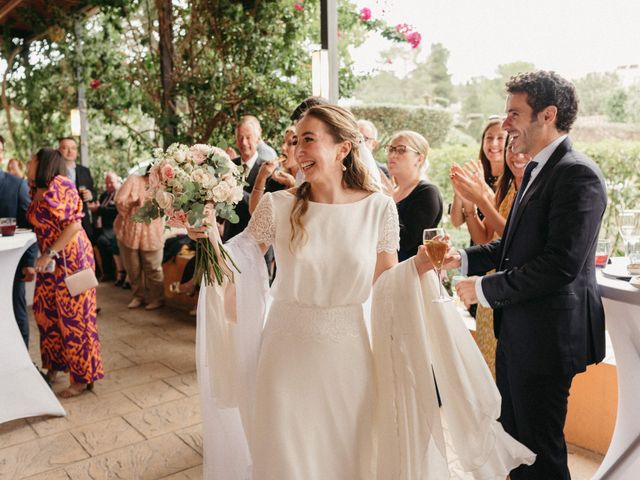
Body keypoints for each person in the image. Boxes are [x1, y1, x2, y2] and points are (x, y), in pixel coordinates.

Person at [193, 104, 535, 479]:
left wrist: (419, 265)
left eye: (310, 139)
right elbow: (237, 264)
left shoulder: (378, 208)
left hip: (348, 357)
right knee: (287, 460)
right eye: (296, 140)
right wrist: (208, 234)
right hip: (284, 357)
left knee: (348, 459)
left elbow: (385, 286)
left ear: (342, 149)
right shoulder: (277, 205)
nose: (299, 150)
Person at [447, 71, 607, 479]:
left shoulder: (578, 174)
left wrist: (485, 288)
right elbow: (513, 247)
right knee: (514, 448)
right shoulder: (536, 170)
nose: (505, 125)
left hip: (548, 339)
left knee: (540, 453)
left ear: (548, 115)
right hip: (520, 332)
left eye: (515, 114)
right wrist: (461, 260)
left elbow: (560, 265)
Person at [26, 148, 103, 398]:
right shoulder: (34, 187)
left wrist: (49, 253)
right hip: (48, 261)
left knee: (75, 320)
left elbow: (74, 225)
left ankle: (82, 377)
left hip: (71, 259)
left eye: (32, 159)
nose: (28, 163)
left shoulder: (62, 184)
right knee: (45, 312)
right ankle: (55, 365)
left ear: (43, 163)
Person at [450, 140, 529, 377]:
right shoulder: (507, 189)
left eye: (523, 149)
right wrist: (469, 204)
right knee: (489, 366)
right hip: (489, 286)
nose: (516, 155)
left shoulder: (532, 192)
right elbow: (484, 239)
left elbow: (515, 240)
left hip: (510, 286)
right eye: (511, 149)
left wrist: (483, 198)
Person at [0, 135, 37, 347]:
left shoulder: (16, 185)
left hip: (9, 266)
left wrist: (29, 263)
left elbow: (30, 225)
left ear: (2, 154)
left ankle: (22, 359)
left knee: (16, 310)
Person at [386, 130, 443, 261]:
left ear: (419, 159)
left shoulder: (427, 193)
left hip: (414, 274)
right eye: (390, 149)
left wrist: (388, 203)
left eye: (401, 150)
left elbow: (406, 243)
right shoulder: (390, 192)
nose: (392, 155)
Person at [114, 169, 165, 310]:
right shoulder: (134, 180)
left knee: (154, 268)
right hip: (130, 230)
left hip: (152, 232)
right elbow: (119, 201)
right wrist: (133, 202)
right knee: (133, 268)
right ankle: (138, 296)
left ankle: (157, 298)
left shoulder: (164, 185)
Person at [450, 118, 507, 229]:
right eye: (489, 138)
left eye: (501, 138)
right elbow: (456, 222)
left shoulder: (514, 179)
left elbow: (504, 222)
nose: (494, 143)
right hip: (476, 245)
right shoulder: (476, 174)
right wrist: (458, 192)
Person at [221, 115, 270, 242]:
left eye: (248, 137)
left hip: (257, 244)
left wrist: (234, 189)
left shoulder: (268, 170)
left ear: (258, 138)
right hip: (230, 240)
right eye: (240, 138)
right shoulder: (228, 166)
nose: (244, 142)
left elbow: (266, 211)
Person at [248, 125, 299, 215]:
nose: (283, 147)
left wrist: (293, 185)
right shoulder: (278, 178)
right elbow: (255, 212)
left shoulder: (310, 180)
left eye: (290, 143)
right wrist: (261, 177)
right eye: (283, 142)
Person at [59, 137, 96, 239]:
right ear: (59, 151)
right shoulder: (54, 172)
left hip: (83, 219)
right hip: (62, 220)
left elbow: (94, 192)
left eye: (73, 148)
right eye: (65, 148)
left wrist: (91, 195)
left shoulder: (84, 171)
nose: (70, 151)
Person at [90, 171, 124, 283]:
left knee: (102, 240)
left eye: (111, 183)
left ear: (118, 181)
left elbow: (116, 211)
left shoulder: (121, 194)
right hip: (102, 226)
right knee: (90, 237)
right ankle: (98, 271)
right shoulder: (104, 195)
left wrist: (98, 209)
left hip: (115, 226)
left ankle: (110, 272)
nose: (109, 185)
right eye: (107, 183)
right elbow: (99, 207)